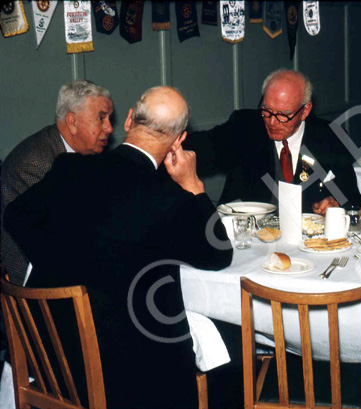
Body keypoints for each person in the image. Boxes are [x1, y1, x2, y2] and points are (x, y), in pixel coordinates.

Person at [4, 86, 233, 408]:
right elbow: (218, 254)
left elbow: (15, 216)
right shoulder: (168, 198)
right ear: (179, 139)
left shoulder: (70, 168)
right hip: (135, 381)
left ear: (127, 121)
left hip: (56, 361)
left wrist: (70, 264)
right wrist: (193, 186)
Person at [183, 69, 361, 214]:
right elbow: (204, 147)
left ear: (305, 110)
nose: (272, 122)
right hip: (248, 238)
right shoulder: (245, 126)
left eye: (284, 115)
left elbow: (351, 197)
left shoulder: (330, 137)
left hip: (309, 242)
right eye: (267, 111)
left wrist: (335, 203)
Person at [1, 80, 113, 286]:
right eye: (101, 118)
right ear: (72, 121)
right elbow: (55, 240)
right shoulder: (35, 164)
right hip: (29, 287)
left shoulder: (84, 155)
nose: (109, 128)